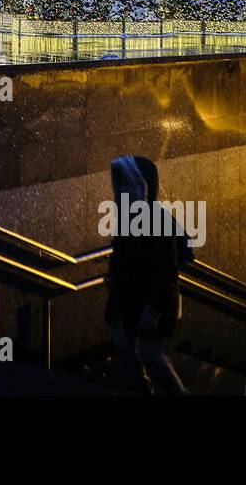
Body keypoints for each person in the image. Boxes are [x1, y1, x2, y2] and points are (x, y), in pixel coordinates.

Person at [105, 155, 190, 395]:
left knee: (150, 355)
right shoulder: (129, 216)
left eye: (126, 183)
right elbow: (122, 258)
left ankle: (177, 394)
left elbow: (166, 273)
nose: (121, 189)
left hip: (150, 303)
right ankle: (142, 388)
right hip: (134, 300)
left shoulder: (156, 221)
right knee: (125, 345)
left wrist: (152, 311)